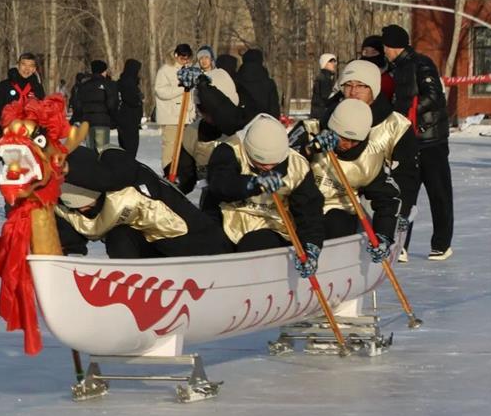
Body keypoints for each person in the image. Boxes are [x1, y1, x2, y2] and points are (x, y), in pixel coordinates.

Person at [54, 145, 230, 258]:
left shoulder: (123, 171)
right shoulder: (75, 208)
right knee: (119, 236)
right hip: (153, 250)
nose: (83, 210)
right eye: (78, 208)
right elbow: (71, 230)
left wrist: (70, 169)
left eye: (86, 205)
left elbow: (112, 175)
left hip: (196, 243)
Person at [204, 114, 324, 271]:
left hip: (273, 226)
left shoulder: (297, 166)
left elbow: (309, 212)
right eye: (260, 164)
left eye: (273, 164)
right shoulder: (230, 150)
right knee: (208, 243)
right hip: (229, 218)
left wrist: (311, 247)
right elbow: (220, 185)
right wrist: (253, 184)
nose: (267, 169)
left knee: (254, 244)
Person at [382, 23, 452, 260]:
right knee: (405, 194)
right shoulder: (395, 68)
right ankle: (401, 244)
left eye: (385, 45)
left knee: (438, 193)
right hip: (409, 141)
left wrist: (410, 115)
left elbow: (433, 96)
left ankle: (441, 244)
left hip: (431, 140)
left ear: (392, 46)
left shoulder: (421, 64)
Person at [301, 99, 400, 257]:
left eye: (354, 141)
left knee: (336, 222)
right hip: (300, 206)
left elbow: (386, 199)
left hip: (339, 209)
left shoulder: (370, 157)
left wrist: (383, 234)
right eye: (342, 138)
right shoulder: (308, 131)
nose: (346, 145)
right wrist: (308, 150)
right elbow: (281, 164)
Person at [168, 68, 246, 194]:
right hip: (210, 207)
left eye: (209, 109)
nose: (206, 115)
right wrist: (172, 185)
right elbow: (186, 177)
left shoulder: (245, 130)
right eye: (201, 108)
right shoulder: (193, 132)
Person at [153, 42, 195, 173]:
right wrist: (181, 89)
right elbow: (160, 91)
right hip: (171, 117)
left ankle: (181, 173)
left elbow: (192, 94)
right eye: (182, 58)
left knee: (185, 148)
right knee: (170, 148)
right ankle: (168, 173)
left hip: (186, 117)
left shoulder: (189, 70)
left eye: (187, 58)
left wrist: (192, 112)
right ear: (176, 55)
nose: (185, 61)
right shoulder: (165, 70)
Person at [0, 53, 44, 148]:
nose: (26, 69)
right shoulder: (4, 85)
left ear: (34, 69)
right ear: (18, 65)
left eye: (30, 66)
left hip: (32, 138)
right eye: (24, 64)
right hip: (9, 136)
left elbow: (43, 112)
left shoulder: (37, 87)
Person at [69, 60, 121, 150]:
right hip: (102, 122)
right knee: (102, 150)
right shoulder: (108, 85)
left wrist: (79, 118)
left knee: (90, 150)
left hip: (87, 123)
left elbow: (78, 105)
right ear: (103, 71)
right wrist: (114, 119)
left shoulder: (84, 85)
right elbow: (112, 104)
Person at [236, 48, 281, 120]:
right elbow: (274, 110)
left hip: (241, 125)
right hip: (264, 124)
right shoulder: (268, 83)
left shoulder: (236, 81)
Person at [115, 59, 143, 157]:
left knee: (125, 148)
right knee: (130, 149)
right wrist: (139, 98)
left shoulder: (123, 81)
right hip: (129, 119)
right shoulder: (128, 82)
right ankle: (128, 169)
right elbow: (132, 100)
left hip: (125, 119)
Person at [310, 53, 338, 121]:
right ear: (324, 63)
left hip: (320, 114)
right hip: (322, 115)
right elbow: (327, 97)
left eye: (334, 61)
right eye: (331, 61)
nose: (334, 64)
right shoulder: (324, 79)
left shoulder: (326, 77)